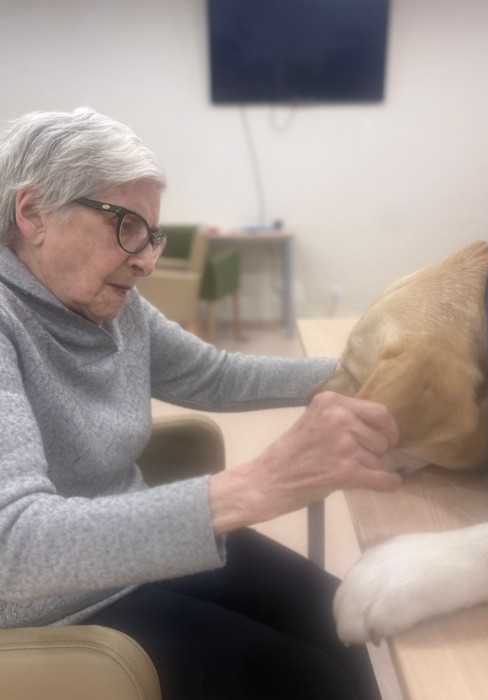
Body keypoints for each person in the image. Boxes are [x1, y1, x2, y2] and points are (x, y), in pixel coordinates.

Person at [0, 107, 402, 700]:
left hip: (139, 553)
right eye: (126, 225)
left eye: (151, 234)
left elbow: (215, 374)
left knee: (343, 615)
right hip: (51, 607)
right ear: (33, 213)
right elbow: (15, 547)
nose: (147, 260)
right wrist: (255, 485)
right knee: (307, 680)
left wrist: (363, 376)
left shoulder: (113, 304)